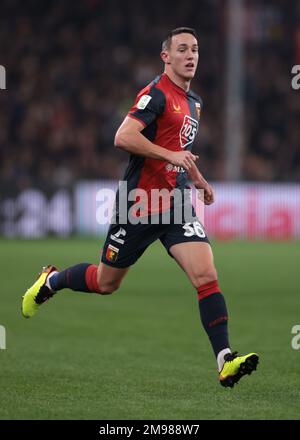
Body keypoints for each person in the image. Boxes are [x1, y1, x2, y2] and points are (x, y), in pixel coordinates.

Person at [22, 27, 258, 388]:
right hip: (140, 203)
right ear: (166, 57)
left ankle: (225, 360)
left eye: (195, 49)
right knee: (105, 283)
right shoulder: (155, 95)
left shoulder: (194, 102)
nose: (191, 55)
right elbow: (124, 137)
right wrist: (172, 157)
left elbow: (179, 150)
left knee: (207, 276)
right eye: (182, 49)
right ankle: (51, 281)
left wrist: (198, 179)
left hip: (176, 202)